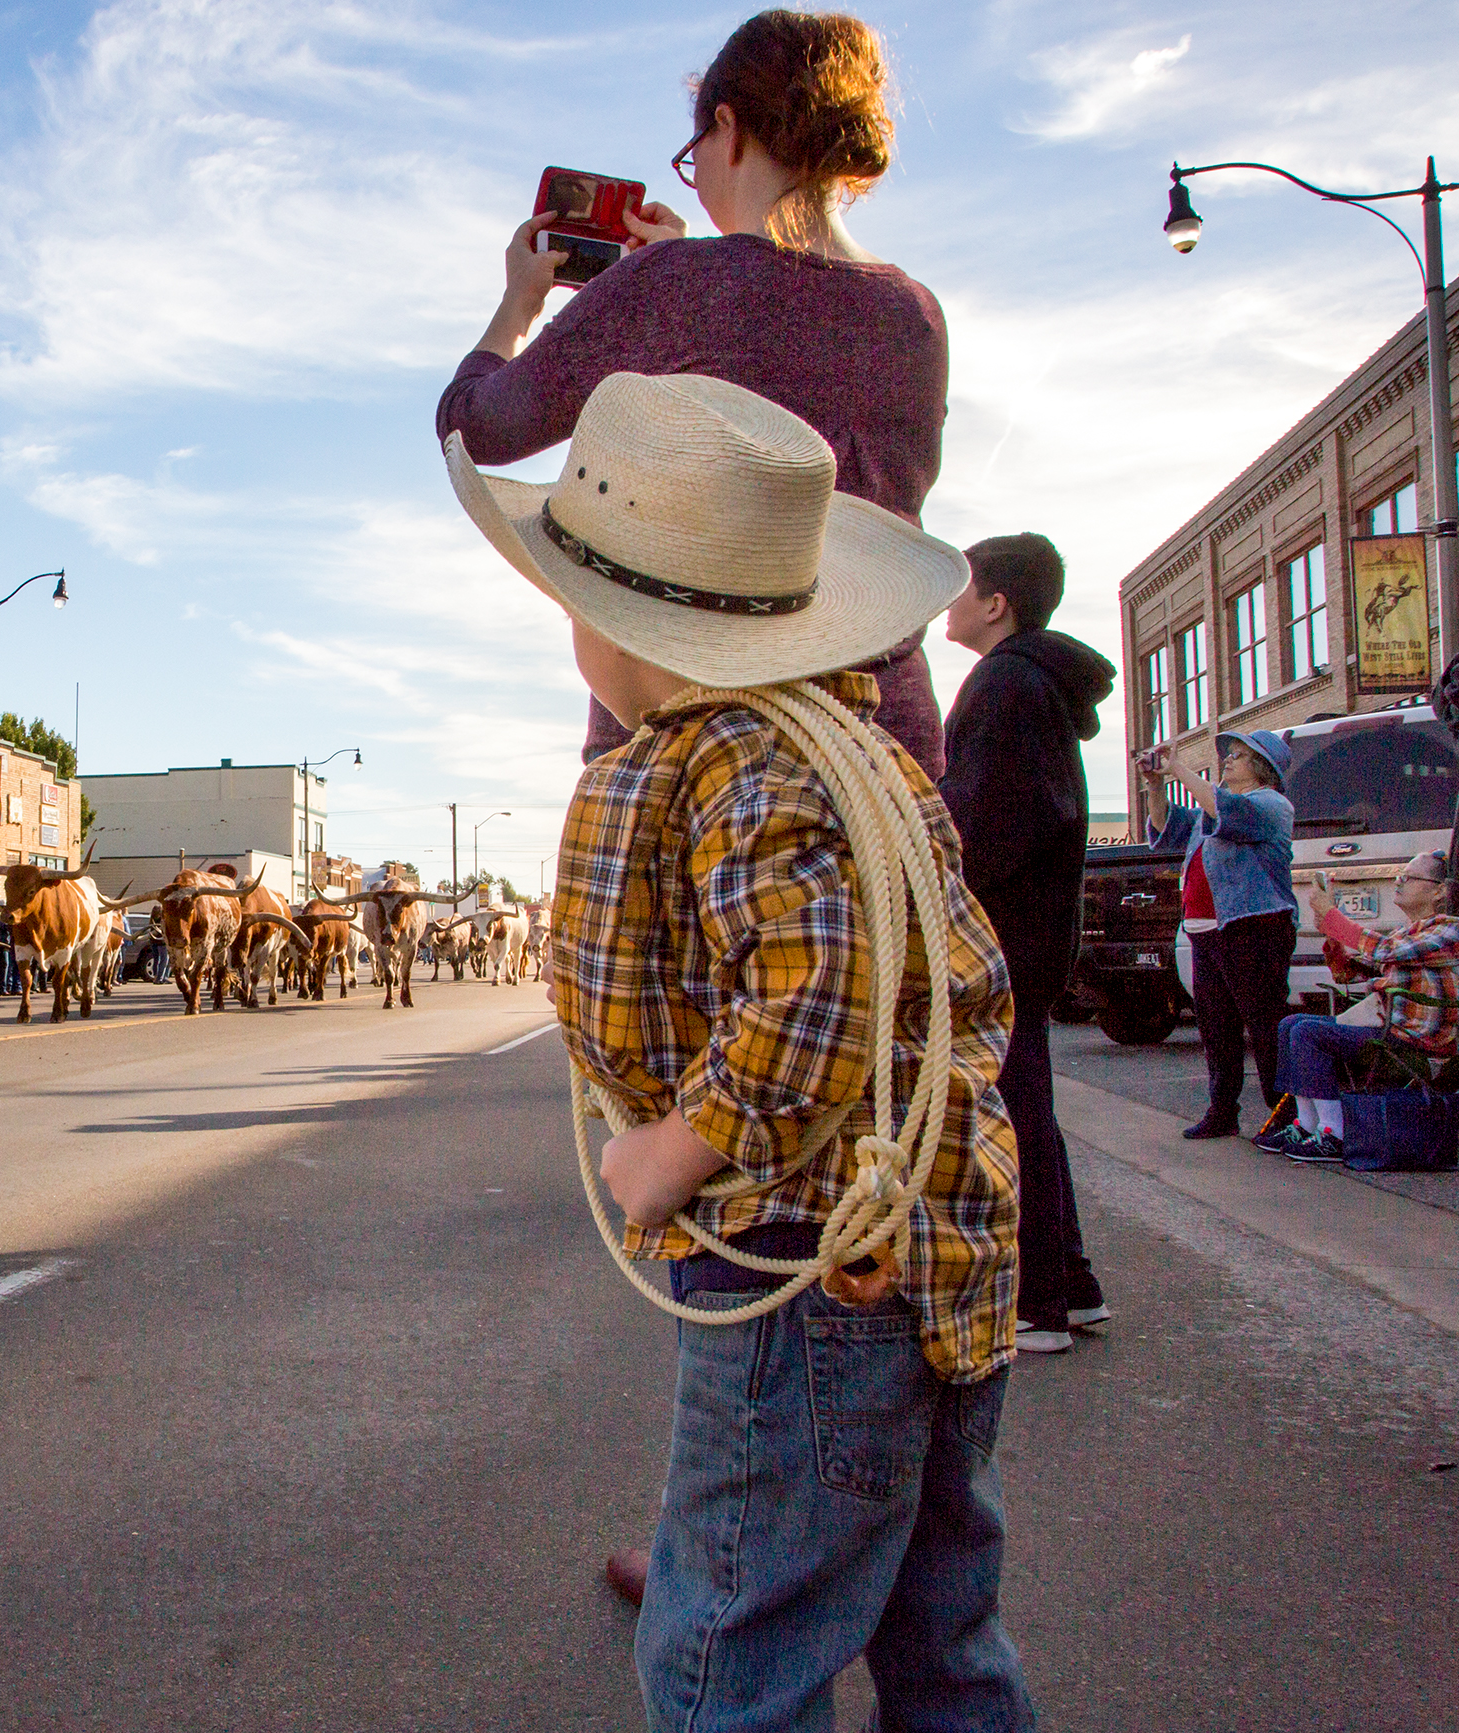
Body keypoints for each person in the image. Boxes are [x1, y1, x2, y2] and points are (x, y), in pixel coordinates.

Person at [449, 370, 1029, 1728]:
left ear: (601, 620)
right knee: (938, 1629)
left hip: (806, 1260)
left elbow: (811, 985)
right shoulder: (852, 749)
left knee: (727, 1648)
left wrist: (671, 1147)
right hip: (929, 1246)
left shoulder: (722, 758)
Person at [437, 11, 951, 778]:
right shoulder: (916, 311)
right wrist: (682, 274)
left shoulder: (675, 287)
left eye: (693, 155)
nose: (697, 174)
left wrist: (519, 304)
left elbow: (473, 427)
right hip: (882, 735)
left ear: (728, 127)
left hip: (694, 734)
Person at [937, 532, 1115, 1356]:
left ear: (995, 603)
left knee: (1007, 1111)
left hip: (1005, 932)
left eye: (960, 587)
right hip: (1036, 929)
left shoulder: (1004, 684)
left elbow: (985, 822)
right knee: (1027, 1104)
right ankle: (1068, 1283)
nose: (948, 601)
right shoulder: (1031, 683)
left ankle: (1036, 1299)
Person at [1258, 853, 1459, 1164]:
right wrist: (1336, 947)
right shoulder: (1407, 933)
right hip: (1398, 1035)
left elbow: (1387, 951)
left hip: (1430, 1047)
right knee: (1291, 1023)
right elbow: (1358, 972)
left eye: (1410, 877)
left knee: (1309, 1032)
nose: (1399, 880)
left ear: (1439, 891)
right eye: (1400, 875)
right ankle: (1307, 1126)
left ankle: (1335, 1134)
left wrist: (1334, 917)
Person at [1144, 729, 1297, 1138]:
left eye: (1239, 756)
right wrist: (1157, 783)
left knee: (1263, 1022)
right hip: (1205, 931)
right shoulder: (1212, 809)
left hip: (1253, 926)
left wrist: (1178, 767)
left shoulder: (1270, 805)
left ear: (1263, 769)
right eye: (1228, 754)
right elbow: (1166, 828)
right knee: (1215, 1025)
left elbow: (1223, 811)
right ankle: (1222, 1110)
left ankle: (1284, 1113)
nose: (1228, 760)